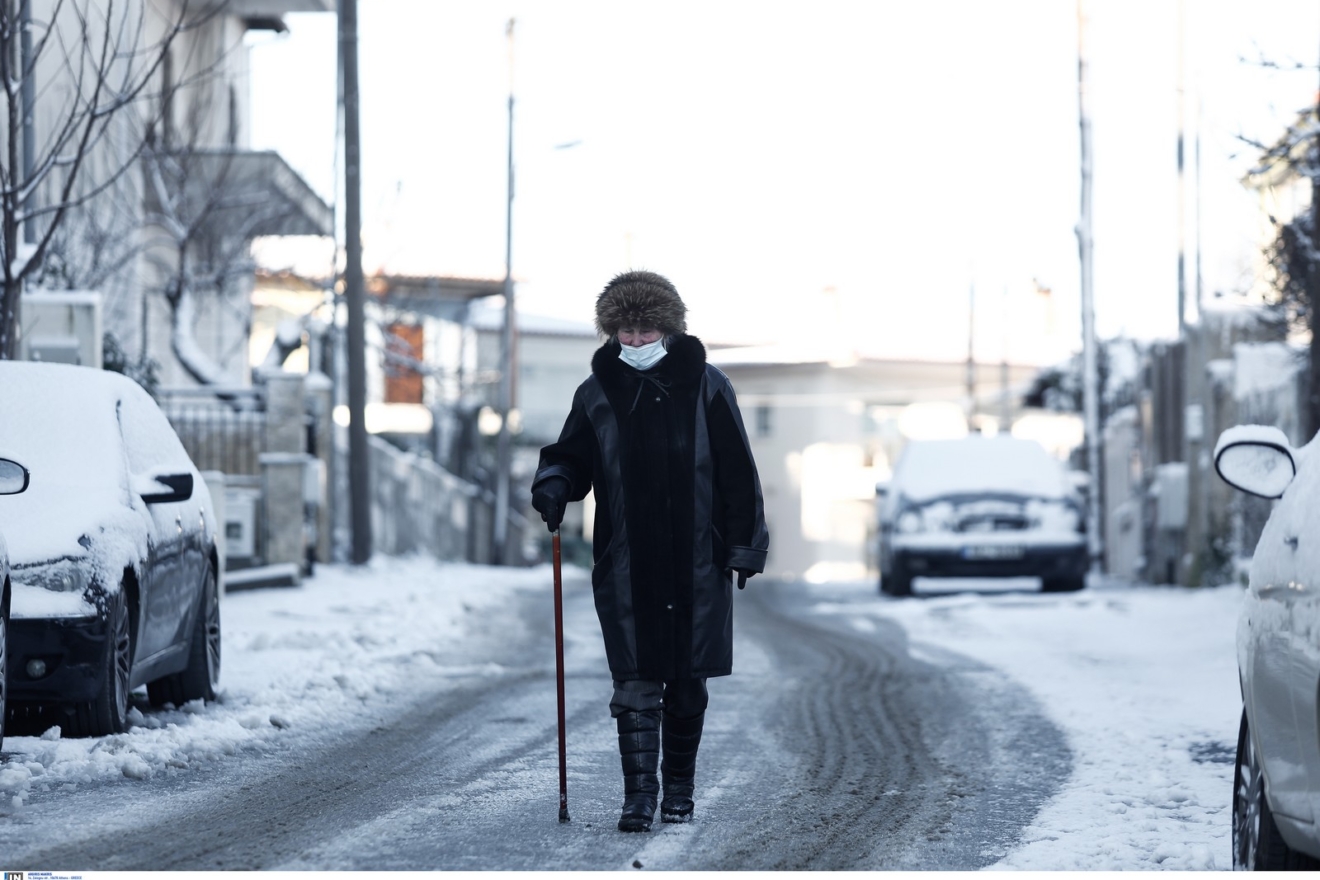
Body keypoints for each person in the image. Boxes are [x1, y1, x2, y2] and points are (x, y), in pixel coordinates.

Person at [530, 269, 769, 833]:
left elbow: (738, 471)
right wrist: (555, 483)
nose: (635, 342)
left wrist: (743, 546)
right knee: (634, 680)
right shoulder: (597, 394)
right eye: (625, 331)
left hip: (698, 562)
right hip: (627, 560)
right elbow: (571, 454)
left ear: (669, 329)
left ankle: (679, 792)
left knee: (688, 682)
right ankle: (638, 796)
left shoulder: (708, 386)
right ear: (610, 333)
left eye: (645, 330)